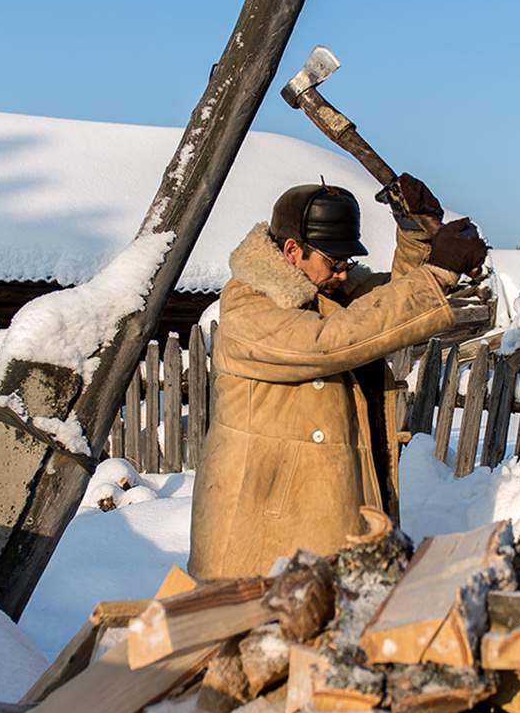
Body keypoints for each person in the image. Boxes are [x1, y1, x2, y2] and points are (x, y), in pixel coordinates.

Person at [188, 176, 487, 579]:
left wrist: (417, 235)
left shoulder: (326, 292)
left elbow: (386, 303)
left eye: (348, 264)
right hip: (260, 535)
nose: (344, 275)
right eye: (335, 262)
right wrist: (437, 274)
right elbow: (331, 341)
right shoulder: (247, 306)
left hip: (324, 520)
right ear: (293, 251)